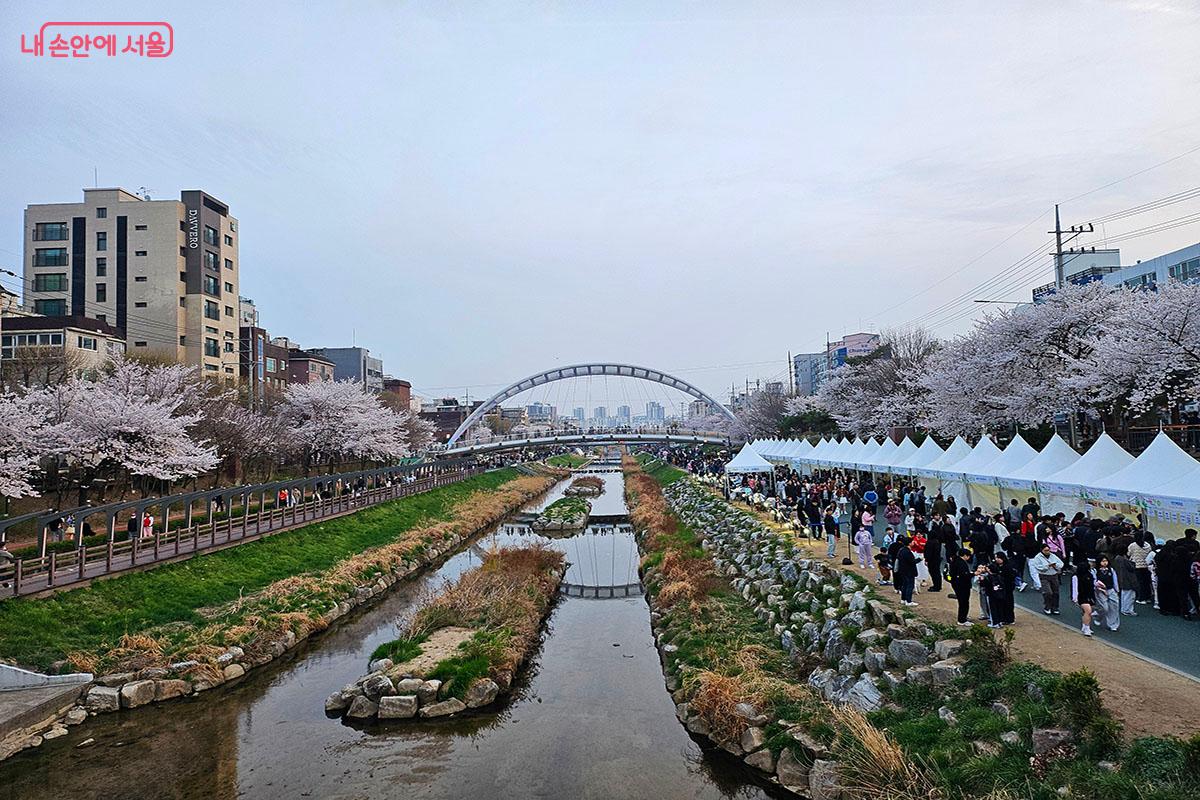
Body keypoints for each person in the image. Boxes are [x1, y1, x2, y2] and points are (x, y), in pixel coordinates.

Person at [1029, 543, 1064, 615]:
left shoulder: (1053, 556)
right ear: (1042, 550)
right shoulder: (1037, 557)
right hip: (1044, 576)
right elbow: (1038, 567)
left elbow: (1061, 563)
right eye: (1046, 550)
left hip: (1054, 575)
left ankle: (1055, 607)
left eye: (1048, 550)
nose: (1048, 552)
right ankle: (1047, 607)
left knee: (1056, 592)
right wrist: (1047, 566)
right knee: (1048, 592)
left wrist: (1056, 565)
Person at [1093, 554, 1121, 632]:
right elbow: (1094, 581)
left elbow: (1115, 580)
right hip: (1100, 591)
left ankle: (1113, 624)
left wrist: (1117, 590)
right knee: (1104, 607)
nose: (1105, 563)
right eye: (1102, 561)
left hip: (1111, 589)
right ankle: (1098, 616)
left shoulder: (1111, 570)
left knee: (1114, 606)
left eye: (1106, 561)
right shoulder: (1095, 571)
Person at [948, 548, 975, 626]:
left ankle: (963, 617)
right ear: (965, 556)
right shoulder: (961, 563)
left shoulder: (955, 561)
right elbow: (964, 575)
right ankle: (962, 620)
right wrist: (973, 574)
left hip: (957, 584)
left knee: (963, 602)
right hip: (962, 585)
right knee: (964, 602)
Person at [1127, 530, 1155, 604]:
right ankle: (1148, 597)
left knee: (1140, 583)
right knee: (1147, 582)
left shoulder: (1132, 545)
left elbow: (1129, 554)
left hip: (1136, 566)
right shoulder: (1148, 545)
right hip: (1146, 566)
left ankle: (1141, 598)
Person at [1072, 558, 1098, 636]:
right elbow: (1075, 588)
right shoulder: (1076, 577)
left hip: (1089, 595)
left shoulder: (1090, 575)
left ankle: (1085, 626)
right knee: (1088, 611)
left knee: (1088, 612)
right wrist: (1075, 599)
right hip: (1081, 596)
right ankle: (1086, 628)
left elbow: (1093, 585)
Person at [894, 536, 918, 606]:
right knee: (910, 586)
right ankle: (908, 601)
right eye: (912, 541)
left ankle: (903, 599)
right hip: (909, 571)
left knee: (904, 585)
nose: (914, 542)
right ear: (909, 543)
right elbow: (912, 561)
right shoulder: (907, 552)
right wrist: (919, 559)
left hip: (902, 571)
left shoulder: (901, 550)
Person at [1114, 549, 1139, 617]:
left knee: (1124, 595)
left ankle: (1124, 609)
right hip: (1128, 579)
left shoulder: (1117, 558)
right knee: (1130, 596)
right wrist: (1132, 561)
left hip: (1122, 579)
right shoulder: (1125, 560)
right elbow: (1131, 567)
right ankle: (1128, 610)